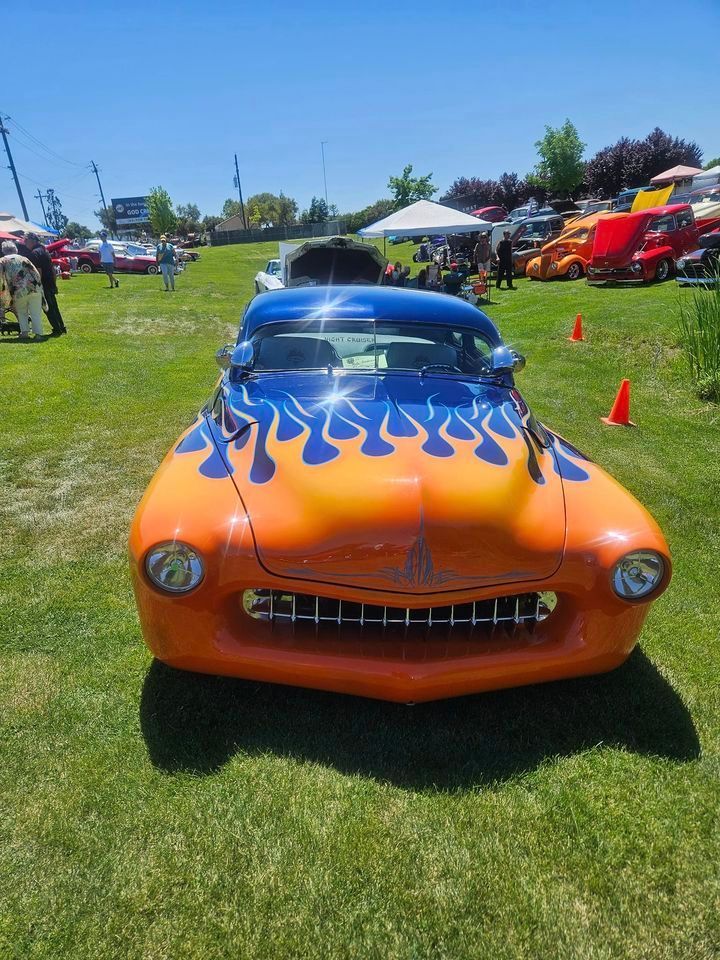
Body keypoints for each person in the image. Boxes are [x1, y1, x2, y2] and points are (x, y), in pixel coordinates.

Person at [0, 240, 46, 339]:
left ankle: (24, 333)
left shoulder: (2, 261)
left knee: (22, 312)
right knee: (35, 312)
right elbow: (35, 273)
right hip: (34, 287)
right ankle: (38, 334)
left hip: (18, 290)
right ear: (15, 249)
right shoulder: (24, 258)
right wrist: (39, 286)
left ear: (3, 250)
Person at [24, 233, 67, 336]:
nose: (25, 243)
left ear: (32, 240)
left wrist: (37, 286)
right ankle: (61, 327)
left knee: (48, 308)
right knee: (54, 306)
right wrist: (54, 283)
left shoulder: (34, 253)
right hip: (50, 282)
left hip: (43, 283)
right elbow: (52, 268)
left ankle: (57, 329)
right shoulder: (44, 250)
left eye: (26, 240)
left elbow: (38, 271)